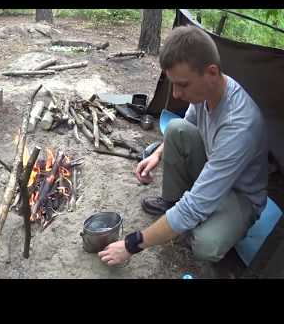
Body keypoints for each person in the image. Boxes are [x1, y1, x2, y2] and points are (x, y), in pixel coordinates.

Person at [98, 25, 268, 266]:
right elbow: (185, 125)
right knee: (176, 129)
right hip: (215, 167)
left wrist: (132, 243)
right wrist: (156, 155)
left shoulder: (239, 126)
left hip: (242, 195)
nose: (176, 94)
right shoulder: (205, 92)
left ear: (211, 72)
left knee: (205, 244)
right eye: (173, 84)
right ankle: (172, 204)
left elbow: (196, 205)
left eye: (183, 85)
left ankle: (200, 225)